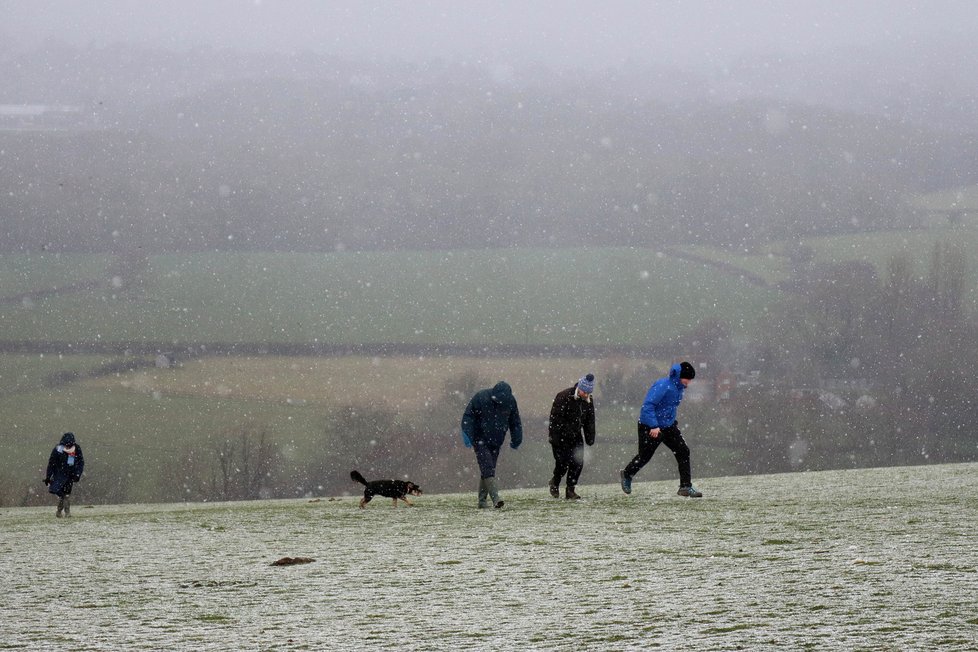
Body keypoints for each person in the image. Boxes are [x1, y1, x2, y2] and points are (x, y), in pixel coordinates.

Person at [619, 361, 702, 498]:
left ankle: (685, 487)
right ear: (680, 376)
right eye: (687, 379)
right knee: (644, 457)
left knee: (683, 451)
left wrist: (671, 422)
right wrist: (654, 425)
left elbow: (669, 407)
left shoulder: (679, 388)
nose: (689, 382)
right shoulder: (663, 385)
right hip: (650, 427)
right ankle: (627, 474)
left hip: (668, 426)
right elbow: (648, 406)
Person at [460, 381, 523, 508]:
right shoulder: (480, 398)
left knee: (488, 469)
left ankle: (482, 502)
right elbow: (468, 417)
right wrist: (468, 435)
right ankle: (496, 499)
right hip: (480, 440)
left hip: (497, 441)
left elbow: (515, 422)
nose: (500, 403)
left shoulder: (510, 401)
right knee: (488, 467)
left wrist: (517, 439)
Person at [547, 373, 596, 500]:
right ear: (579, 388)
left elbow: (590, 420)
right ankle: (555, 482)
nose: (586, 395)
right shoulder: (563, 396)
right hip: (560, 436)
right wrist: (554, 438)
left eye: (588, 393)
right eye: (584, 391)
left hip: (576, 436)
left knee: (578, 463)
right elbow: (555, 419)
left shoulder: (588, 401)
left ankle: (570, 490)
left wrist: (590, 437)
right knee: (562, 463)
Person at [44, 432, 85, 517]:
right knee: (62, 494)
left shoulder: (76, 448)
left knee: (66, 494)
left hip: (70, 476)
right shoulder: (58, 449)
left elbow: (81, 462)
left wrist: (77, 474)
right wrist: (48, 476)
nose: (68, 446)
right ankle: (62, 512)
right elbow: (52, 463)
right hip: (58, 476)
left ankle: (64, 512)